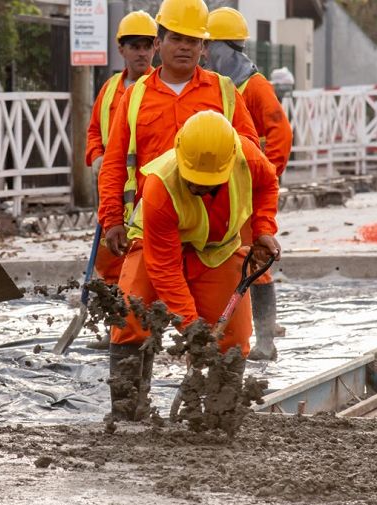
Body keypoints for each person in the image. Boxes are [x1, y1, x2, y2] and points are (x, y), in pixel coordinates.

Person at [108, 111, 280, 420]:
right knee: (130, 314)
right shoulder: (160, 187)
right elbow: (165, 269)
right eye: (194, 183)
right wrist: (192, 329)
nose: (200, 189)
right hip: (154, 246)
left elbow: (268, 185)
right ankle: (127, 413)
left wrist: (264, 229)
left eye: (209, 184)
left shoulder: (248, 159)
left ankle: (218, 415)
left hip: (218, 250)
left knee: (234, 335)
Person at [97, 0, 259, 263]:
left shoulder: (224, 92)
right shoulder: (134, 97)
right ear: (159, 43)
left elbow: (251, 162)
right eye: (176, 38)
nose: (185, 46)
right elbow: (115, 163)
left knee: (215, 305)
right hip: (152, 227)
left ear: (203, 47)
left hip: (213, 237)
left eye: (193, 40)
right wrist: (112, 219)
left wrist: (261, 227)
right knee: (135, 304)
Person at [205, 6, 293, 361]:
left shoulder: (253, 86)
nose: (205, 53)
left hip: (249, 192)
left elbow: (280, 133)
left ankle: (266, 341)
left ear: (226, 47)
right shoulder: (215, 85)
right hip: (216, 191)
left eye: (209, 46)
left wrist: (263, 176)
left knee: (256, 258)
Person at [85, 10, 158, 290]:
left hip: (145, 187)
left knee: (147, 252)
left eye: (147, 46)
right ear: (121, 49)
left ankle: (144, 307)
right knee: (110, 253)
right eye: (134, 47)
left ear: (155, 47)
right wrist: (97, 157)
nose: (142, 53)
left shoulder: (158, 88)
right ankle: (117, 313)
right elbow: (94, 131)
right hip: (114, 187)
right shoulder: (109, 89)